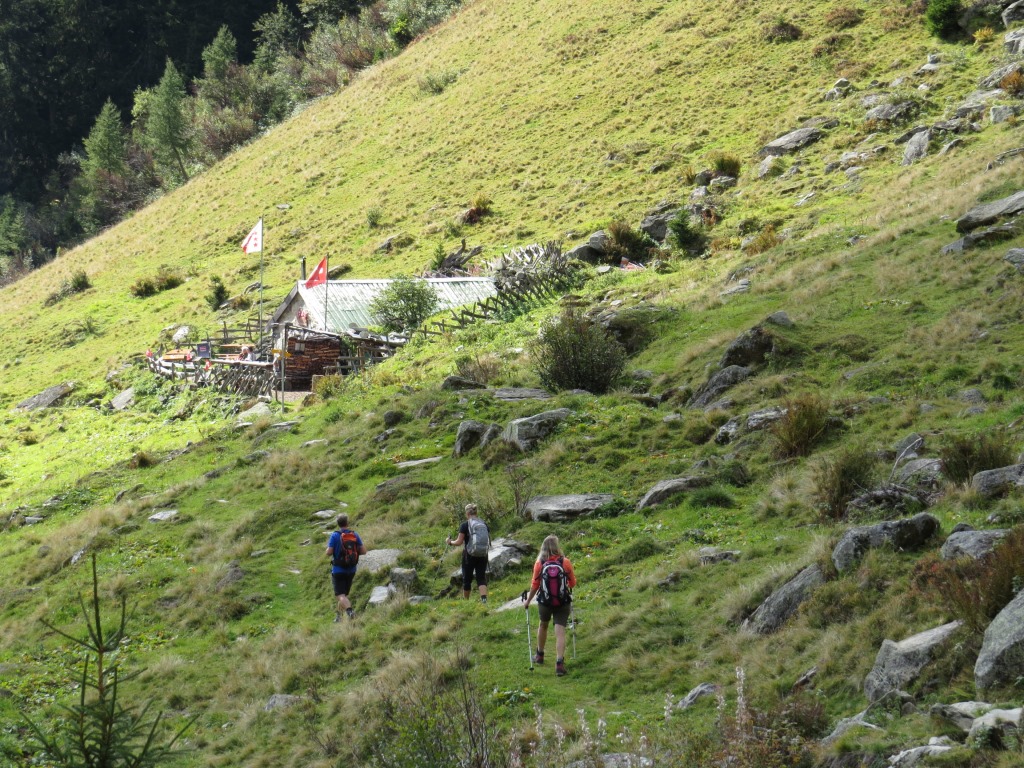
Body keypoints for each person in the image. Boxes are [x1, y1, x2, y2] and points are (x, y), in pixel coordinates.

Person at [523, 535, 577, 676]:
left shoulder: (539, 563)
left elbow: (535, 585)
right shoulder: (565, 562)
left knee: (543, 625)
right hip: (562, 601)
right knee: (560, 631)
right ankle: (559, 663)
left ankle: (540, 655)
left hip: (545, 602)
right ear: (557, 546)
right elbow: (573, 583)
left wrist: (528, 601)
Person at [326, 513, 367, 621]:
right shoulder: (355, 535)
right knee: (343, 595)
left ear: (338, 524)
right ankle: (339, 617)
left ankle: (350, 612)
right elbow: (363, 551)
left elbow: (329, 552)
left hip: (338, 570)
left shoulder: (335, 535)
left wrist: (330, 550)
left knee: (340, 595)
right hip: (351, 570)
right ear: (347, 523)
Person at [446, 503, 490, 604]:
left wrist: (450, 542)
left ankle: (466, 602)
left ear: (467, 513)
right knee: (481, 578)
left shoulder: (465, 525)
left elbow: (459, 542)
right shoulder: (484, 524)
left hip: (469, 555)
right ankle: (484, 600)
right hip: (483, 554)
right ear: (476, 512)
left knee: (467, 579)